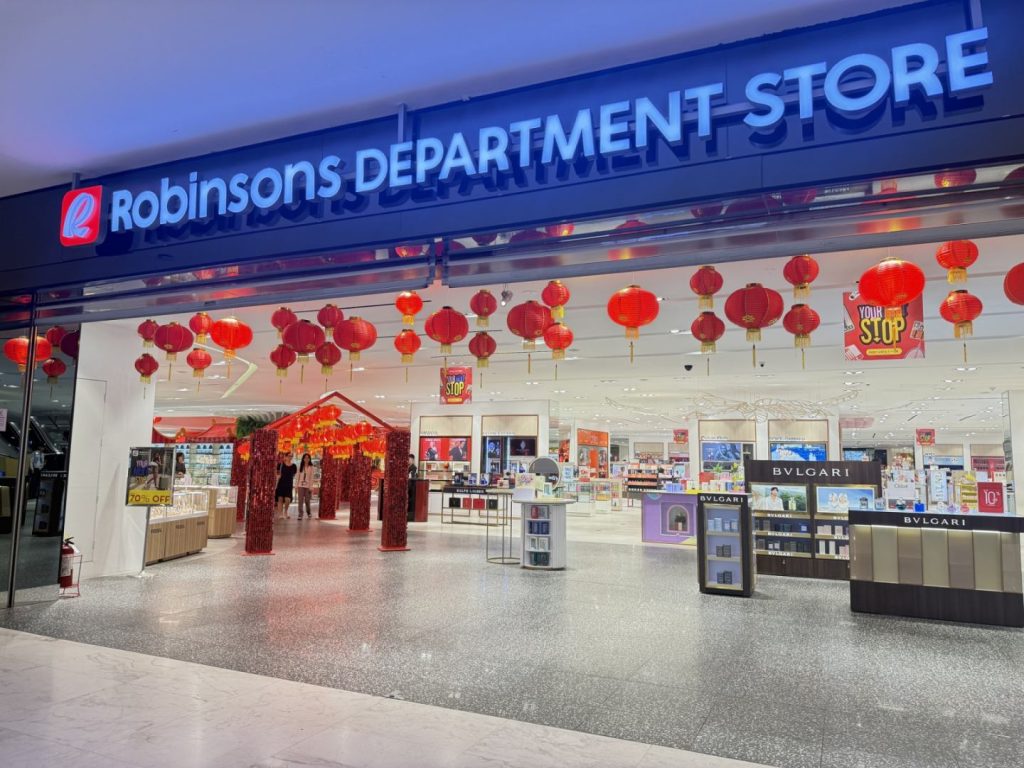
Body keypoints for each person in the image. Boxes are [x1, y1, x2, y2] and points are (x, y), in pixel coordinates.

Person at [275, 452, 298, 520]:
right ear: (285, 456)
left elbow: (294, 474)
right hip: (281, 483)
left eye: (291, 456)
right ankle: (280, 514)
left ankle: (285, 512)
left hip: (289, 484)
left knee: (287, 499)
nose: (290, 457)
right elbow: (276, 473)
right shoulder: (280, 465)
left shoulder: (294, 466)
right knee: (280, 499)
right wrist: (278, 476)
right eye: (289, 456)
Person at [295, 453, 315, 520]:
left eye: (308, 458)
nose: (306, 459)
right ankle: (300, 514)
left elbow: (312, 478)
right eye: (305, 458)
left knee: (307, 500)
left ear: (309, 459)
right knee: (300, 501)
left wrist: (311, 487)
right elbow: (297, 477)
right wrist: (296, 486)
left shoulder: (311, 467)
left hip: (308, 486)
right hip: (300, 485)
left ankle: (309, 512)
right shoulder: (300, 466)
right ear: (303, 459)